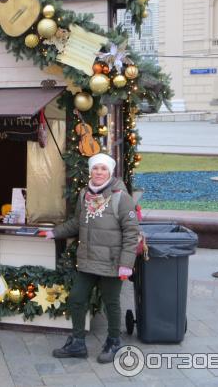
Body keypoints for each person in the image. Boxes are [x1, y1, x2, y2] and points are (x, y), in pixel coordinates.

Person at [43, 153, 139, 364]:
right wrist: (55, 232)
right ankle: (77, 343)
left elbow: (132, 233)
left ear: (110, 172)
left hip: (112, 263)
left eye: (103, 169)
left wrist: (126, 264)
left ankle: (114, 342)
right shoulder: (84, 195)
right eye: (95, 168)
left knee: (111, 302)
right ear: (90, 171)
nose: (98, 172)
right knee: (77, 298)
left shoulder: (121, 198)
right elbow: (77, 223)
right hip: (88, 260)